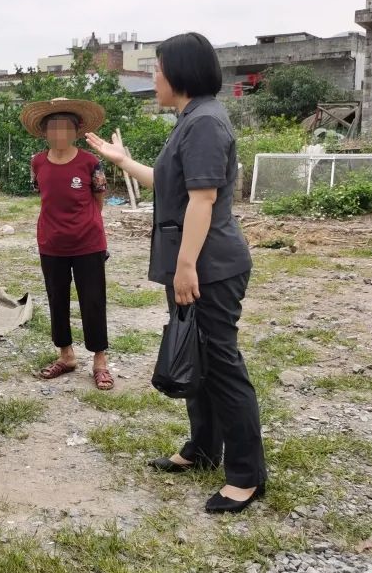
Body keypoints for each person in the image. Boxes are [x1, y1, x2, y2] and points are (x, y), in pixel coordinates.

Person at [86, 32, 267, 514]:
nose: (154, 77)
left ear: (179, 72)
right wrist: (124, 162)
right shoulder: (193, 119)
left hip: (209, 266)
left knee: (222, 364)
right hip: (191, 265)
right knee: (196, 355)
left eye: (158, 69)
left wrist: (187, 266)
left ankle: (247, 475)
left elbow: (204, 200)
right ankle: (204, 447)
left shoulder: (205, 122)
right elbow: (173, 184)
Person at [21, 98, 113, 391]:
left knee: (93, 301)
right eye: (53, 129)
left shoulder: (89, 162)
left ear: (76, 131)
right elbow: (44, 196)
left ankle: (100, 362)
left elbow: (98, 199)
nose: (59, 134)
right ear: (45, 132)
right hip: (51, 244)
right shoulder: (37, 161)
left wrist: (85, 225)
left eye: (65, 128)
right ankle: (66, 355)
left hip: (88, 243)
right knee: (56, 299)